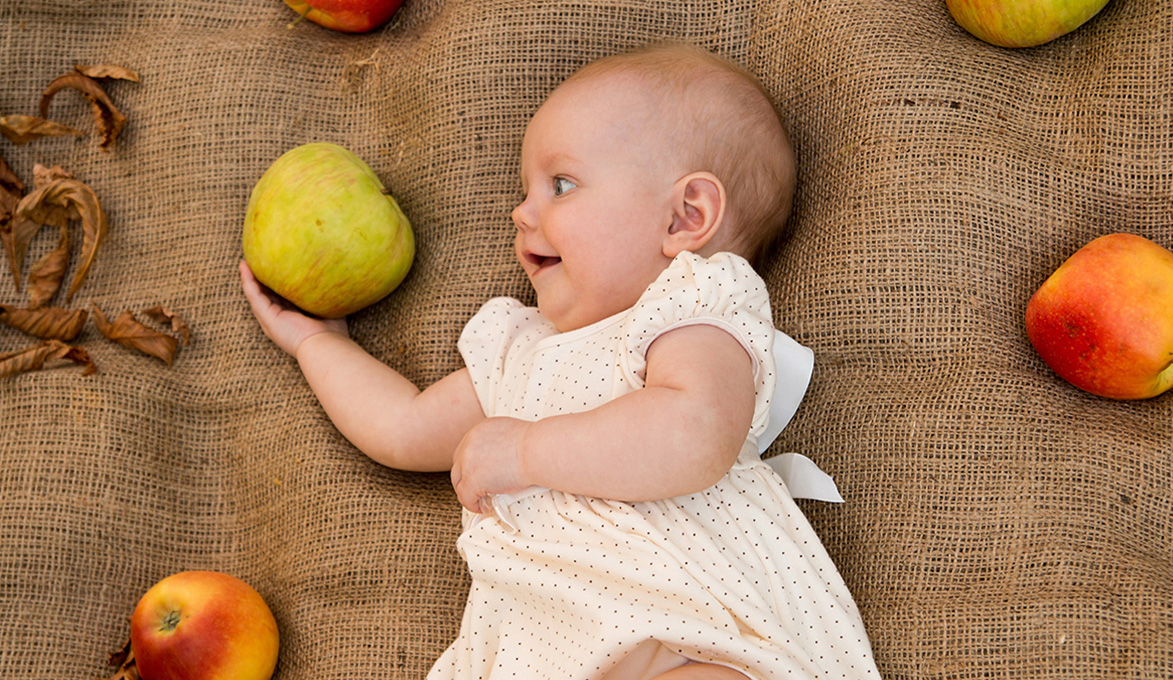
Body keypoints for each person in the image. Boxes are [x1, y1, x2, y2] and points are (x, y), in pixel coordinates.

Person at [240, 43, 878, 680]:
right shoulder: (519, 351)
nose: (522, 213)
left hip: (690, 632)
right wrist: (318, 344)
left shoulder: (690, 309)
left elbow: (695, 432)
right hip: (537, 649)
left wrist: (523, 452)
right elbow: (402, 427)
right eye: (528, 190)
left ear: (686, 218)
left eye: (561, 184)